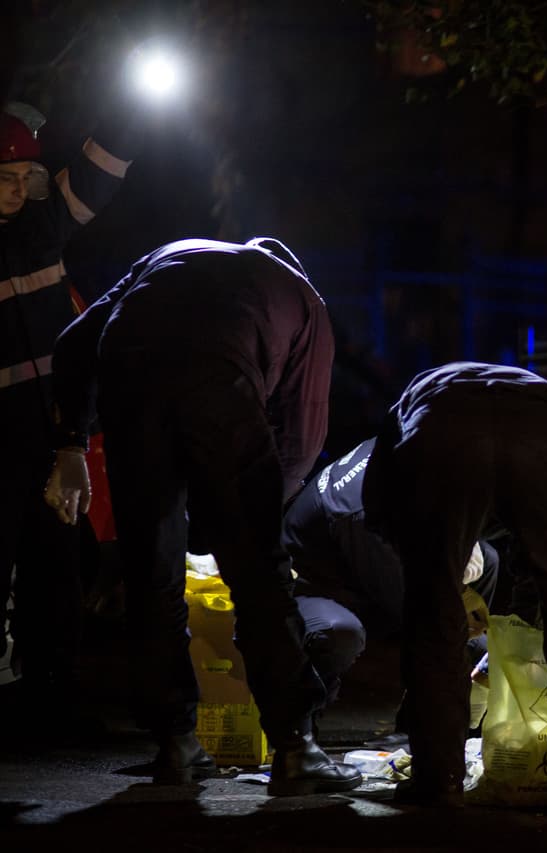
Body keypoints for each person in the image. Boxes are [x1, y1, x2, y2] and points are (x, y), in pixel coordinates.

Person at [41, 237, 361, 796]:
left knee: (152, 573)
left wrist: (71, 446)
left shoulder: (171, 254)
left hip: (129, 374)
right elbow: (303, 435)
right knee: (259, 577)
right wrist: (250, 519)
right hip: (220, 379)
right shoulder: (305, 300)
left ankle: (175, 744)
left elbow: (72, 343)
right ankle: (295, 747)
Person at [360, 361, 547, 817]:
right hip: (543, 426)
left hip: (442, 425)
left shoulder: (414, 399)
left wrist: (439, 579)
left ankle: (438, 780)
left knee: (434, 616)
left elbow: (378, 503)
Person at [0, 101, 139, 731]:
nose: (16, 189)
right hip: (6, 439)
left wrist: (133, 107)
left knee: (56, 562)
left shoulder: (42, 224)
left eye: (23, 177)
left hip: (56, 435)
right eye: (5, 178)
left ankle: (53, 690)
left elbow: (97, 173)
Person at [280, 436, 497, 732]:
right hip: (314, 589)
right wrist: (457, 603)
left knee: (487, 560)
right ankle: (298, 732)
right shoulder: (359, 511)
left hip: (366, 574)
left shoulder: (411, 446)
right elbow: (417, 605)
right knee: (339, 632)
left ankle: (430, 712)